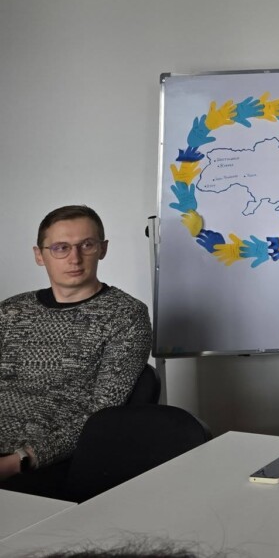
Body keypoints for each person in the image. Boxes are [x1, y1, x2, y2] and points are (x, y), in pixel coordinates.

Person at [0, 205, 153, 495]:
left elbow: (102, 415)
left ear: (102, 249)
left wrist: (19, 461)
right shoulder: (10, 311)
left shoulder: (125, 315)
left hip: (46, 461)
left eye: (86, 245)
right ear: (39, 255)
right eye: (61, 247)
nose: (75, 258)